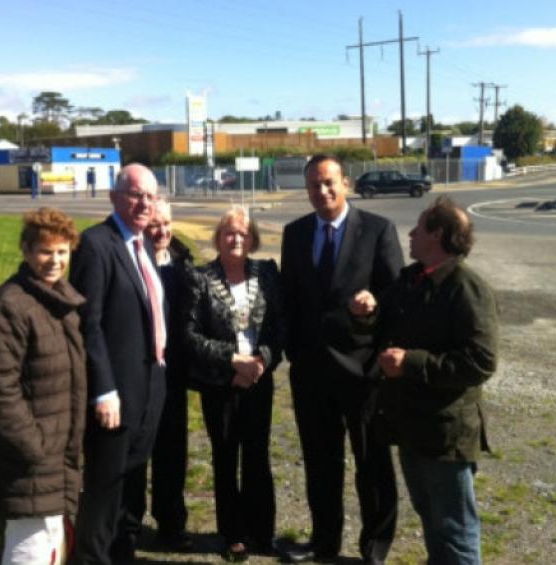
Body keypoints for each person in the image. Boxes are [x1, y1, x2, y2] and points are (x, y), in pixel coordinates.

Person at [348, 196, 499, 565]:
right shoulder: (412, 279)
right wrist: (366, 313)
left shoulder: (466, 287)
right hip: (412, 426)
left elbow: (481, 361)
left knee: (456, 529)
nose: (411, 234)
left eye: (419, 227)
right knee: (432, 520)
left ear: (440, 235)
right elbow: (383, 325)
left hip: (446, 433)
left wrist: (411, 363)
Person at [280, 154, 403, 564]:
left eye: (329, 182)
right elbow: (292, 299)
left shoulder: (377, 230)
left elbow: (396, 296)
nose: (322, 191)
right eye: (314, 185)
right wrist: (293, 352)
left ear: (346, 183)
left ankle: (375, 546)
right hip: (312, 371)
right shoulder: (294, 233)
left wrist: (376, 304)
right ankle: (323, 541)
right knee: (320, 464)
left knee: (372, 463)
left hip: (363, 370)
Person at [0, 207, 87, 565]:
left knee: (53, 546)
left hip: (59, 455)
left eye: (62, 252)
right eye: (45, 251)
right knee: (31, 549)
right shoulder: (7, 307)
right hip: (31, 460)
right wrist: (36, 449)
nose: (54, 261)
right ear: (25, 250)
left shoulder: (60, 301)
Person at [69, 163, 167, 565]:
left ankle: (123, 555)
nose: (143, 203)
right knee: (106, 487)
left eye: (150, 195)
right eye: (134, 194)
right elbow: (88, 324)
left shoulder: (144, 247)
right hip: (116, 393)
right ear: (114, 197)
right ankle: (91, 557)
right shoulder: (97, 245)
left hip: (150, 385)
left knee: (132, 484)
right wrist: (104, 389)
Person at [183, 206, 283, 562]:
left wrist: (260, 361)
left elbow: (277, 328)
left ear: (252, 239)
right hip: (219, 383)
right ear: (218, 238)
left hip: (258, 379)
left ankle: (262, 531)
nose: (235, 238)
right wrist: (231, 361)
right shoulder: (200, 277)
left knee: (257, 457)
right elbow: (189, 335)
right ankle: (233, 534)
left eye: (242, 233)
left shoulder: (268, 273)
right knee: (225, 457)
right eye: (228, 232)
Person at [144, 199, 195, 551]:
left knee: (172, 452)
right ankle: (125, 525)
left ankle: (170, 524)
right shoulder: (129, 259)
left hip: (173, 374)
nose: (161, 231)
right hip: (136, 371)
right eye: (153, 225)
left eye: (166, 223)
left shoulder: (183, 262)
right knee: (133, 454)